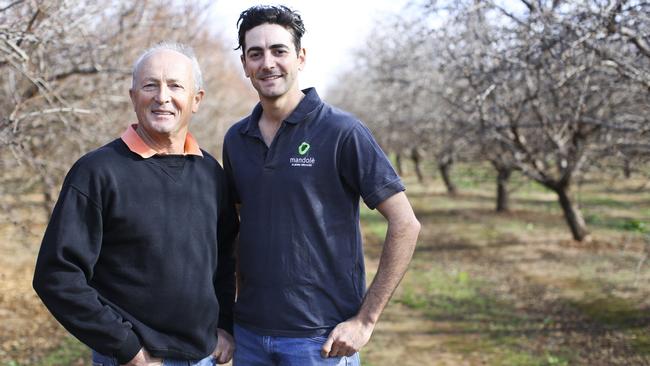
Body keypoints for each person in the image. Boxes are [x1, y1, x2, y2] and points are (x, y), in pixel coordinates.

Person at [222, 5, 421, 365]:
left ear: (300, 57)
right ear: (245, 65)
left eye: (279, 50)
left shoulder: (342, 132)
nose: (267, 63)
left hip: (320, 341)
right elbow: (237, 230)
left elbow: (406, 223)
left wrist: (365, 320)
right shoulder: (236, 139)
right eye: (256, 53)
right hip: (250, 336)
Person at [33, 42, 238, 366]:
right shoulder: (97, 172)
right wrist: (124, 346)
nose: (162, 97)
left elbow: (225, 261)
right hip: (132, 360)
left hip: (203, 358)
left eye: (175, 86)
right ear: (133, 97)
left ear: (196, 100)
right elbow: (56, 275)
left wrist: (225, 325)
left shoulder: (211, 173)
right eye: (150, 85)